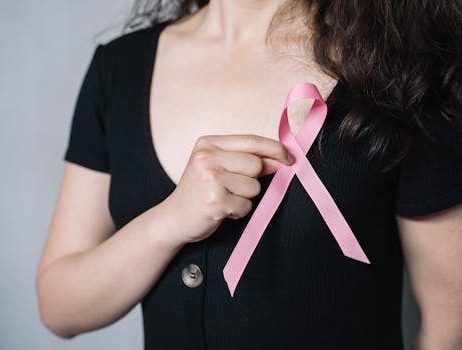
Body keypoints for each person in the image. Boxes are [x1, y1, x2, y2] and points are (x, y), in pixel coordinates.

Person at [35, 1, 462, 349]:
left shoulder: (403, 71)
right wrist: (168, 222)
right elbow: (59, 306)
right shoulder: (118, 70)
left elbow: (450, 321)